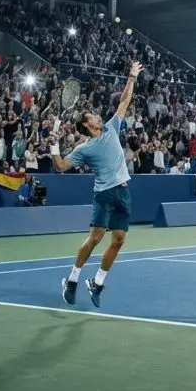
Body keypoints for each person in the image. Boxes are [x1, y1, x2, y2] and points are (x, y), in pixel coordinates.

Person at [52, 60, 142, 308]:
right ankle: (71, 280)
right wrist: (53, 144)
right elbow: (60, 167)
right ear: (87, 125)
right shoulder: (84, 148)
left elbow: (124, 100)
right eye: (92, 115)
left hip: (123, 193)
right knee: (95, 239)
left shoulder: (113, 127)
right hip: (104, 194)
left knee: (119, 239)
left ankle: (97, 282)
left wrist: (132, 77)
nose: (97, 115)